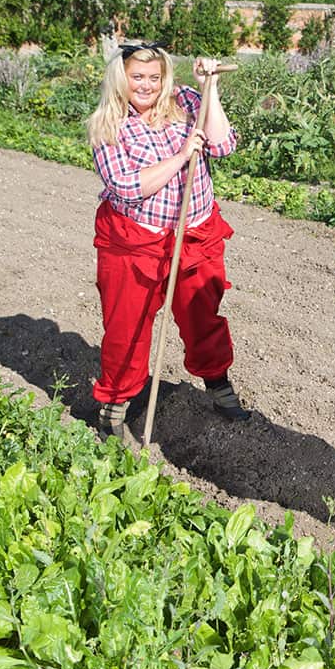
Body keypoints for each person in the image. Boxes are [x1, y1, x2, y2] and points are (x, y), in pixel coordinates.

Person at [87, 41, 251, 441]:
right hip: (133, 242)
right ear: (120, 79)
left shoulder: (186, 102)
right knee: (126, 325)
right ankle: (116, 402)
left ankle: (217, 383)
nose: (146, 85)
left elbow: (223, 145)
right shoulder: (108, 125)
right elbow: (127, 187)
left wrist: (208, 87)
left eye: (154, 77)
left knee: (203, 317)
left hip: (195, 234)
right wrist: (180, 157)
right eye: (137, 77)